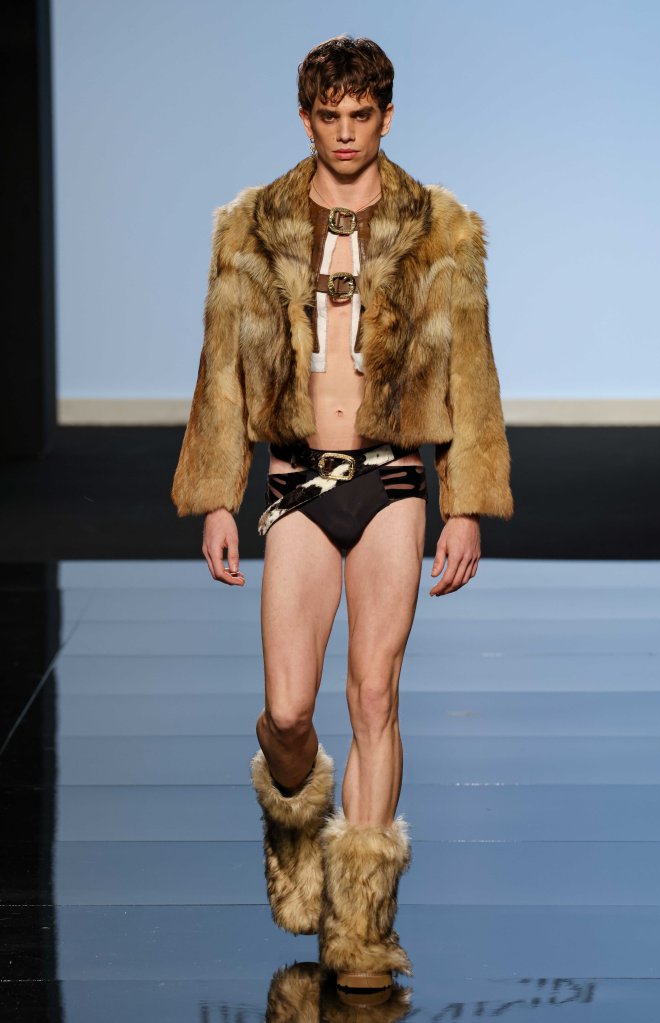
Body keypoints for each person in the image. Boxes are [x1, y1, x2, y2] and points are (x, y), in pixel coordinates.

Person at [171, 35, 513, 999]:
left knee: (373, 696)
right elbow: (222, 367)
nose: (347, 133)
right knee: (287, 712)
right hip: (295, 484)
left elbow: (471, 371)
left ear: (387, 116)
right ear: (306, 118)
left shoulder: (440, 228)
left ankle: (361, 926)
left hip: (394, 479)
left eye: (362, 115)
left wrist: (465, 505)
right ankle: (295, 826)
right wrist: (217, 494)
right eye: (331, 116)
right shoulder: (253, 225)